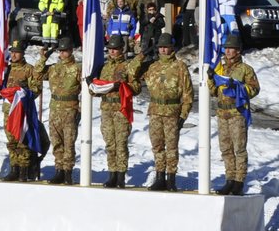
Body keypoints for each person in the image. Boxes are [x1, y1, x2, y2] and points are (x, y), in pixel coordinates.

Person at [139, 34, 193, 191]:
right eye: (160, 47)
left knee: (171, 147)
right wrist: (141, 57)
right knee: (157, 146)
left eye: (166, 47)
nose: (163, 49)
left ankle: (171, 179)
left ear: (172, 48)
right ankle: (160, 176)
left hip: (172, 112)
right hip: (155, 111)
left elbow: (188, 94)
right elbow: (133, 73)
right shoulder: (153, 67)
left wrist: (183, 116)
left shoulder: (179, 67)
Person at [210, 35, 260, 195]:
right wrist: (211, 79)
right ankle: (229, 179)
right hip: (222, 112)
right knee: (225, 148)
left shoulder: (245, 69)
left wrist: (238, 87)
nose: (228, 51)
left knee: (239, 148)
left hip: (237, 113)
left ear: (238, 51)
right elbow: (213, 92)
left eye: (232, 48)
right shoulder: (220, 68)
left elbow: (254, 89)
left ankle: (239, 181)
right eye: (227, 48)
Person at [89, 37, 139, 187]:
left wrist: (123, 86)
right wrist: (92, 87)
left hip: (120, 109)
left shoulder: (127, 66)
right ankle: (112, 174)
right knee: (110, 144)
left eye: (115, 48)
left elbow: (137, 87)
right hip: (106, 110)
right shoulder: (104, 68)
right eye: (110, 48)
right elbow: (97, 89)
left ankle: (121, 175)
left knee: (121, 144)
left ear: (121, 49)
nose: (112, 51)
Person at [0, 43, 45, 181]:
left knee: (22, 140)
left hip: (22, 111)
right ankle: (14, 169)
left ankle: (24, 170)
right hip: (8, 110)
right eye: (12, 52)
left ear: (22, 53)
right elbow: (2, 87)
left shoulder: (29, 69)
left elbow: (36, 89)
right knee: (11, 141)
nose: (13, 55)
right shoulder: (6, 69)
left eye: (17, 52)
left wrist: (25, 91)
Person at [42, 39, 81, 184]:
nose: (63, 53)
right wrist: (44, 57)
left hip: (70, 109)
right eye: (61, 51)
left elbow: (85, 88)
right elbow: (38, 73)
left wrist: (80, 109)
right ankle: (59, 170)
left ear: (71, 51)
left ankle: (67, 172)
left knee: (69, 142)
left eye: (65, 50)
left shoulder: (77, 68)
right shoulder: (53, 68)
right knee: (56, 141)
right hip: (55, 108)